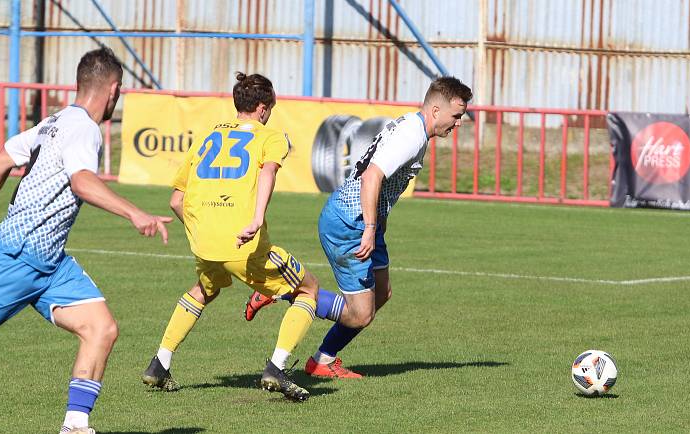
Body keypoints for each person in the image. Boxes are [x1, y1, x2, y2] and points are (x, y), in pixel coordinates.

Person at [0, 47, 172, 434]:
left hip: (51, 263)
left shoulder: (52, 123)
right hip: (17, 257)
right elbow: (82, 182)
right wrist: (134, 212)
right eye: (119, 92)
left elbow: (0, 160)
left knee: (101, 328)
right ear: (114, 90)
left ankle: (75, 426)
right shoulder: (85, 128)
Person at [245, 76, 473, 378]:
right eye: (456, 115)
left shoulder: (414, 126)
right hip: (349, 221)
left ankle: (323, 360)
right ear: (435, 111)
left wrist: (377, 226)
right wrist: (368, 228)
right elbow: (372, 177)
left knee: (381, 293)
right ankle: (286, 290)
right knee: (361, 313)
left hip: (365, 222)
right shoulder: (412, 136)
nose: (458, 123)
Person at [141, 72, 319, 401]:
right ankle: (277, 368)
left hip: (204, 241)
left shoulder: (207, 135)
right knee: (309, 289)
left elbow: (176, 200)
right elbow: (268, 171)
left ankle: (160, 362)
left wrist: (202, 231)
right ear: (263, 108)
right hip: (244, 243)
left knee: (203, 290)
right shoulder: (270, 137)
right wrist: (256, 218)